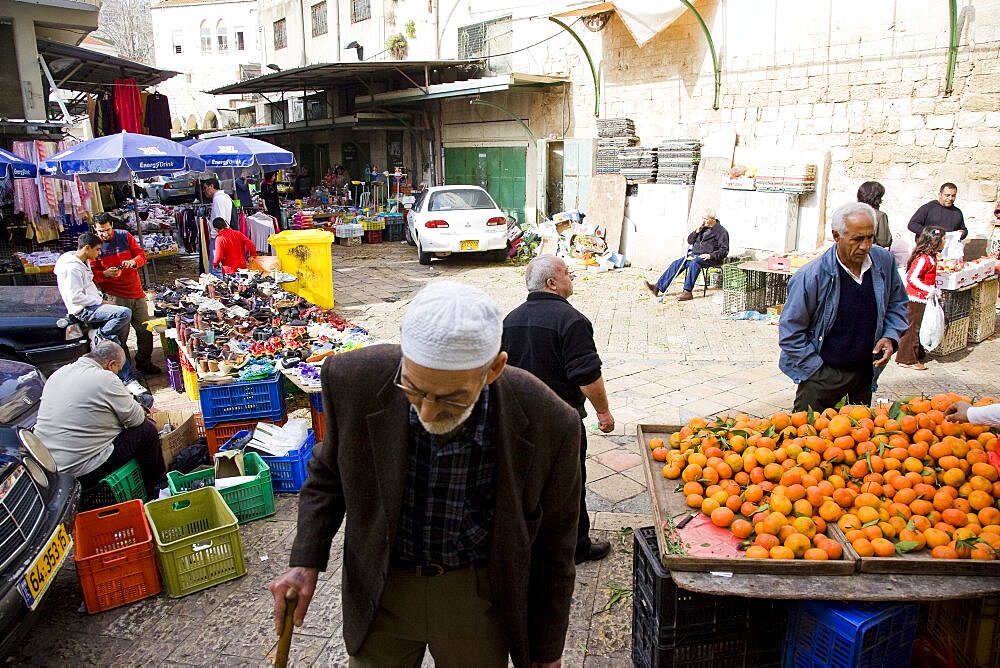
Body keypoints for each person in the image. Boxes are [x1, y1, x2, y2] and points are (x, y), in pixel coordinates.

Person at [269, 281, 581, 668]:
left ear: (494, 369)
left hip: (477, 597)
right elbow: (328, 476)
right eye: (413, 390)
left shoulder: (549, 420)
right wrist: (304, 562)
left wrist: (547, 652)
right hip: (383, 588)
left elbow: (556, 546)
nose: (428, 413)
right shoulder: (354, 379)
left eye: (451, 398)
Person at [502, 255, 615, 565]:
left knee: (525, 484)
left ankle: (526, 545)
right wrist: (603, 412)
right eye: (567, 273)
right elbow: (586, 374)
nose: (572, 277)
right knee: (568, 486)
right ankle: (575, 547)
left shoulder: (510, 320)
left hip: (518, 421)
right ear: (552, 283)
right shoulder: (572, 320)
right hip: (560, 421)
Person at [779, 202, 909, 411]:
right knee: (808, 437)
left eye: (870, 237)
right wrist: (816, 370)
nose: (865, 246)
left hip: (864, 374)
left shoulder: (883, 261)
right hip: (823, 377)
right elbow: (790, 332)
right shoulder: (811, 276)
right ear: (836, 235)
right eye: (857, 239)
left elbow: (898, 302)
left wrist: (890, 335)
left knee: (855, 438)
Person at [33, 341, 165, 500]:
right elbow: (136, 419)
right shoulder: (105, 377)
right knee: (146, 431)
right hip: (82, 471)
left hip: (51, 471)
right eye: (118, 370)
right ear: (111, 364)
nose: (117, 374)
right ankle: (157, 491)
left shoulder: (59, 374)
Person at [54, 232, 140, 388]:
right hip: (84, 309)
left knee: (115, 337)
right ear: (87, 248)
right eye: (98, 250)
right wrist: (99, 301)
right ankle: (102, 334)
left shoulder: (81, 261)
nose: (99, 253)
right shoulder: (72, 268)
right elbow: (75, 297)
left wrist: (99, 299)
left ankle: (124, 372)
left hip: (93, 304)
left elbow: (88, 286)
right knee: (124, 314)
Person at [90, 213, 160, 376]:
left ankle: (144, 362)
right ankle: (125, 369)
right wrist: (104, 274)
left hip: (135, 291)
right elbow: (92, 274)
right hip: (114, 296)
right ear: (95, 228)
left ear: (112, 225)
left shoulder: (124, 236)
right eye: (101, 231)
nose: (104, 234)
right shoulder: (94, 245)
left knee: (145, 330)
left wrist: (133, 262)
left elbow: (141, 256)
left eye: (107, 230)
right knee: (121, 336)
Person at [645, 209, 729, 301]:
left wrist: (710, 255)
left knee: (695, 263)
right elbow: (690, 241)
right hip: (695, 255)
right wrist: (696, 232)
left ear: (713, 219)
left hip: (711, 258)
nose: (703, 221)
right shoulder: (702, 228)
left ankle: (687, 292)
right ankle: (657, 287)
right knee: (676, 263)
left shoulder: (721, 232)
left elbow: (724, 251)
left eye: (706, 219)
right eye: (703, 218)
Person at [896, 226, 946, 370]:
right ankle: (906, 359)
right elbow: (912, 278)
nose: (944, 242)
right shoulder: (923, 259)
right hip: (915, 299)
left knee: (919, 327)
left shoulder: (930, 258)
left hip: (924, 298)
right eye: (943, 239)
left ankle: (917, 353)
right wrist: (928, 289)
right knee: (912, 329)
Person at [857, 181, 893, 248]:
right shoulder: (879, 216)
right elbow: (884, 241)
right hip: (869, 252)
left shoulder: (850, 211)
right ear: (877, 198)